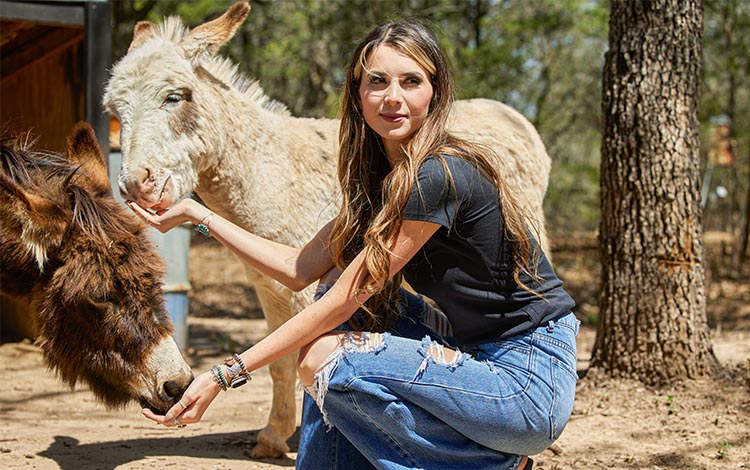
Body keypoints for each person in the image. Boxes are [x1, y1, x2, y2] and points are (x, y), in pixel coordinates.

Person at [131, 19, 578, 470]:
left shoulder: (439, 174)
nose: (393, 97)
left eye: (411, 81)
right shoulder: (382, 183)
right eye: (377, 82)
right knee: (329, 306)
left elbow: (347, 297)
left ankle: (487, 464)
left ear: (436, 92)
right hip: (474, 360)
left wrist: (224, 375)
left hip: (525, 382)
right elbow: (296, 268)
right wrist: (197, 214)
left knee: (327, 349)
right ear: (357, 92)